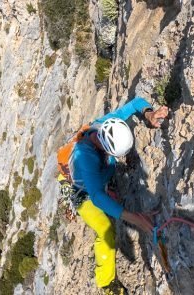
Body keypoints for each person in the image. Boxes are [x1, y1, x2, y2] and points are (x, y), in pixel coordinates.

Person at [68, 96, 168, 294]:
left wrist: (149, 113)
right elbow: (96, 196)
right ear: (105, 148)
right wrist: (136, 219)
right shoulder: (84, 156)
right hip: (81, 191)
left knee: (111, 206)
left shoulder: (105, 124)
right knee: (105, 228)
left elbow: (135, 103)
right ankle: (106, 283)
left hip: (100, 177)